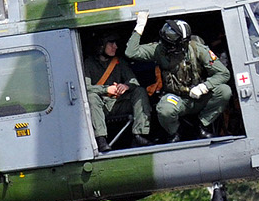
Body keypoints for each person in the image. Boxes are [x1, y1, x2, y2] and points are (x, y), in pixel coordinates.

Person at [125, 13, 233, 142]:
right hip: (177, 98)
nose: (165, 46)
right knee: (165, 109)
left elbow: (223, 73)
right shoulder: (159, 50)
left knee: (224, 91)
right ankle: (175, 132)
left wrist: (204, 87)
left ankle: (202, 125)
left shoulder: (197, 49)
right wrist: (140, 26)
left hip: (199, 97)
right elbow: (131, 52)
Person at [83, 31, 153, 152]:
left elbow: (134, 82)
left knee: (140, 91)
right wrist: (106, 89)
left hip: (118, 104)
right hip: (101, 107)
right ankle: (101, 140)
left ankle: (139, 135)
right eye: (111, 43)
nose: (115, 46)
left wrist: (126, 86)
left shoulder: (119, 62)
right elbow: (85, 88)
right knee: (91, 97)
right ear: (101, 46)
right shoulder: (88, 64)